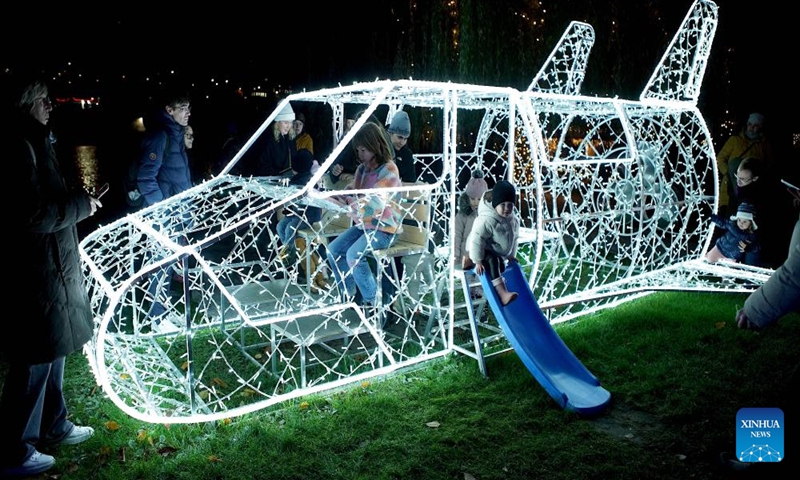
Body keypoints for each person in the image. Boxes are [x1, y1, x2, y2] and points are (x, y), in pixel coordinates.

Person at [0, 74, 99, 477]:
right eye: (42, 98)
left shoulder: (39, 139)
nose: (50, 105)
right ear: (25, 103)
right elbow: (32, 213)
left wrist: (77, 199)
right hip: (36, 270)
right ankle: (14, 450)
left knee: (55, 348)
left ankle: (54, 425)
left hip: (55, 265)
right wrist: (80, 206)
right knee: (35, 358)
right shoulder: (19, 145)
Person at [326, 122, 403, 307]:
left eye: (363, 150)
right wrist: (340, 196)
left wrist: (350, 204)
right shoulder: (362, 169)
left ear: (375, 146)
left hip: (386, 229)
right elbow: (356, 193)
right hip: (365, 226)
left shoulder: (389, 170)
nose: (360, 154)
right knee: (333, 250)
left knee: (354, 255)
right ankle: (350, 294)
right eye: (358, 150)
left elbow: (375, 204)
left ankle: (375, 303)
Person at [136, 87, 193, 334]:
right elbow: (145, 178)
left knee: (168, 265)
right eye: (183, 109)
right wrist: (163, 209)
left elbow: (177, 175)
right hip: (163, 214)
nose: (188, 113)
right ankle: (157, 318)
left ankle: (164, 312)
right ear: (169, 110)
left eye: (189, 108)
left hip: (175, 213)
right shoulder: (161, 136)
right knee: (159, 266)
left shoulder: (176, 134)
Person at [277, 149, 327, 291]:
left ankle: (289, 252)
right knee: (281, 226)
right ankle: (289, 249)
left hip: (308, 216)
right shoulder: (301, 179)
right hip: (297, 214)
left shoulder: (303, 181)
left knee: (290, 229)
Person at [467, 180, 521, 306]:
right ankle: (502, 293)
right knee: (493, 261)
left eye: (510, 205)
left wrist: (510, 255)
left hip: (497, 253)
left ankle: (498, 283)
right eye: (503, 205)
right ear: (495, 204)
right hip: (481, 251)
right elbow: (477, 239)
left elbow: (514, 238)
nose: (507, 208)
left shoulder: (513, 220)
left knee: (500, 265)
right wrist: (477, 260)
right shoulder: (487, 220)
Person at [716, 112, 774, 216]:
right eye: (750, 124)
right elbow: (720, 158)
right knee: (729, 215)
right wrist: (728, 173)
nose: (751, 128)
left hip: (752, 192)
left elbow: (769, 165)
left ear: (760, 127)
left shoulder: (764, 145)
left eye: (755, 126)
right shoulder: (735, 140)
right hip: (730, 188)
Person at [455, 169, 489, 298]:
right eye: (472, 199)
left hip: (482, 253)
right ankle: (471, 292)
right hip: (466, 254)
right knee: (468, 275)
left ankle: (480, 292)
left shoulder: (487, 215)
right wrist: (456, 254)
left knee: (483, 272)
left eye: (479, 199)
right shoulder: (463, 215)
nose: (475, 202)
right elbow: (457, 234)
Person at [242, 102, 296, 177]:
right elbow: (262, 165)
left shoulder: (290, 139)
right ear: (277, 122)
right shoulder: (268, 140)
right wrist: (279, 174)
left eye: (290, 122)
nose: (289, 126)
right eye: (286, 123)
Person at [386, 110, 416, 183]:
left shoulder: (407, 154)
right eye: (400, 137)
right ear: (390, 133)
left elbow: (410, 180)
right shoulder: (379, 149)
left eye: (405, 139)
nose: (402, 142)